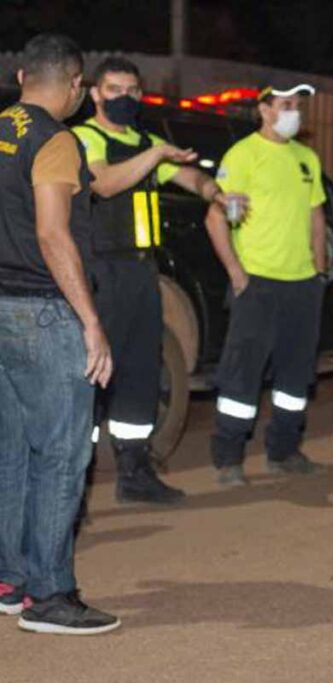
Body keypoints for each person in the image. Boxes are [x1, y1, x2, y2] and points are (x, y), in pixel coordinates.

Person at [73, 57, 242, 505]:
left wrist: (213, 192)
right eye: (113, 89)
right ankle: (73, 481)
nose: (123, 98)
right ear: (94, 93)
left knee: (140, 372)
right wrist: (156, 154)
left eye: (131, 91)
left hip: (140, 272)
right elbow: (104, 184)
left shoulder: (146, 141)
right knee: (90, 375)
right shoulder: (84, 138)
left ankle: (134, 473)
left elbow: (185, 173)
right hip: (99, 270)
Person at [0, 33, 120, 635]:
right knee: (62, 455)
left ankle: (10, 579)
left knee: (11, 451)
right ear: (75, 85)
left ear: (22, 76)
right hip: (42, 313)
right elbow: (53, 235)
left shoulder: (0, 129)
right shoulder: (56, 139)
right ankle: (50, 595)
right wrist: (91, 322)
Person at [206, 83, 328, 487]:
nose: (296, 111)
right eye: (286, 104)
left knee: (295, 377)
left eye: (298, 105)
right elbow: (215, 218)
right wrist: (237, 274)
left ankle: (284, 450)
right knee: (242, 374)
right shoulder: (242, 155)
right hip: (258, 284)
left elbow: (316, 217)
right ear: (263, 109)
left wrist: (319, 271)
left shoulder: (306, 158)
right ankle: (229, 458)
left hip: (302, 285)